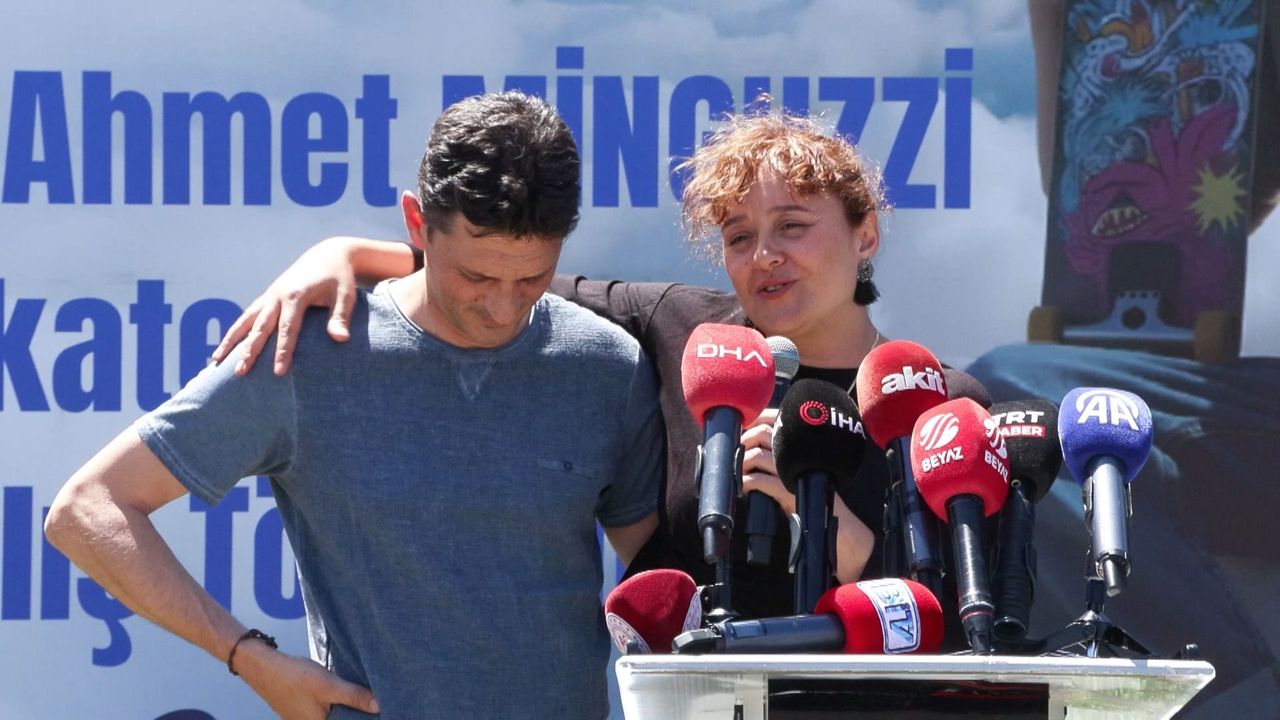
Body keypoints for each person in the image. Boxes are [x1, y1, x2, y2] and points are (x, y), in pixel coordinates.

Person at [44, 91, 665, 720]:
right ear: (417, 224)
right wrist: (248, 657)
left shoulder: (607, 365)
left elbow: (658, 584)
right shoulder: (307, 355)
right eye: (477, 277)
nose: (503, 308)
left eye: (531, 278)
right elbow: (87, 509)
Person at [216, 109, 903, 625]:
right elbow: (496, 277)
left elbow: (954, 621)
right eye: (739, 236)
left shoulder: (923, 402)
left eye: (792, 226)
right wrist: (344, 254)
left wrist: (846, 545)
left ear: (865, 232)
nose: (764, 256)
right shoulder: (681, 328)